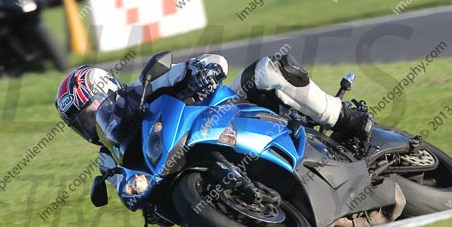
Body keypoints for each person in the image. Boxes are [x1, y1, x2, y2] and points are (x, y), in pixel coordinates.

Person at [54, 52, 374, 153]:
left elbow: (207, 61)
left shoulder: (143, 88)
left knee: (267, 70)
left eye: (90, 112)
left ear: (107, 91)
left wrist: (205, 70)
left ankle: (347, 119)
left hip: (226, 113)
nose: (90, 124)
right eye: (81, 123)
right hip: (194, 159)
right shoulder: (110, 157)